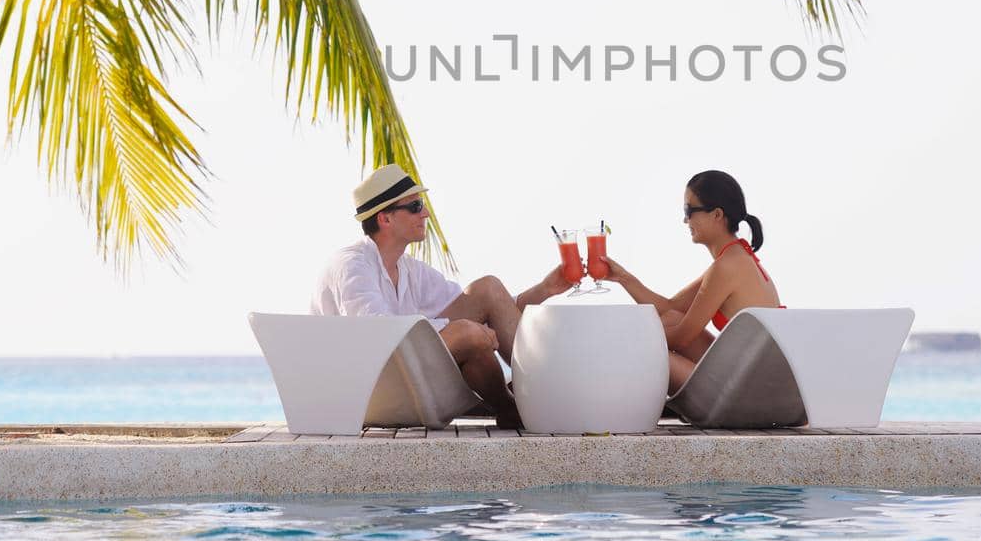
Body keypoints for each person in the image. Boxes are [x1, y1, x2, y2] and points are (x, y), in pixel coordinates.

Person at [311, 163, 569, 426]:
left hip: (406, 372)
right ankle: (514, 405)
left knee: (487, 289)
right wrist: (464, 330)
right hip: (370, 387)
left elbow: (492, 311)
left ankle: (536, 396)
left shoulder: (409, 268)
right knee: (468, 334)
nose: (425, 213)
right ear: (385, 218)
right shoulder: (352, 265)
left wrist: (546, 289)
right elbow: (378, 333)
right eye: (414, 206)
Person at [602, 170, 781, 392]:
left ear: (717, 215)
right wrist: (622, 278)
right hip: (749, 379)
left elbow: (682, 339)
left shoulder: (726, 267)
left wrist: (631, 336)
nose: (685, 220)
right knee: (669, 318)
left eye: (689, 211)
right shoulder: (735, 257)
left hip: (746, 393)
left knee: (652, 350)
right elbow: (670, 308)